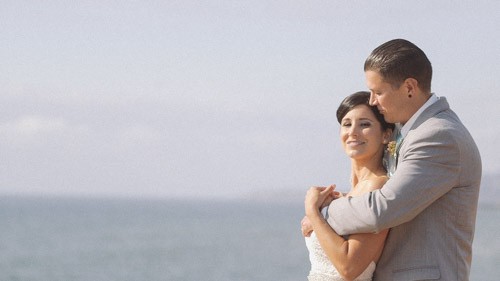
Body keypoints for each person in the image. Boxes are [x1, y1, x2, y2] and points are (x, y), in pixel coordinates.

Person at [320, 39, 481, 280]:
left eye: (378, 92)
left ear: (409, 88)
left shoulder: (438, 136)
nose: (373, 101)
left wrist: (321, 212)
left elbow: (383, 209)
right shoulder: (410, 132)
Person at [304, 91, 394, 281]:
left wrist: (313, 212)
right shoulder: (350, 195)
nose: (353, 132)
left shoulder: (378, 188)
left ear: (386, 135)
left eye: (365, 124)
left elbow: (349, 266)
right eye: (347, 124)